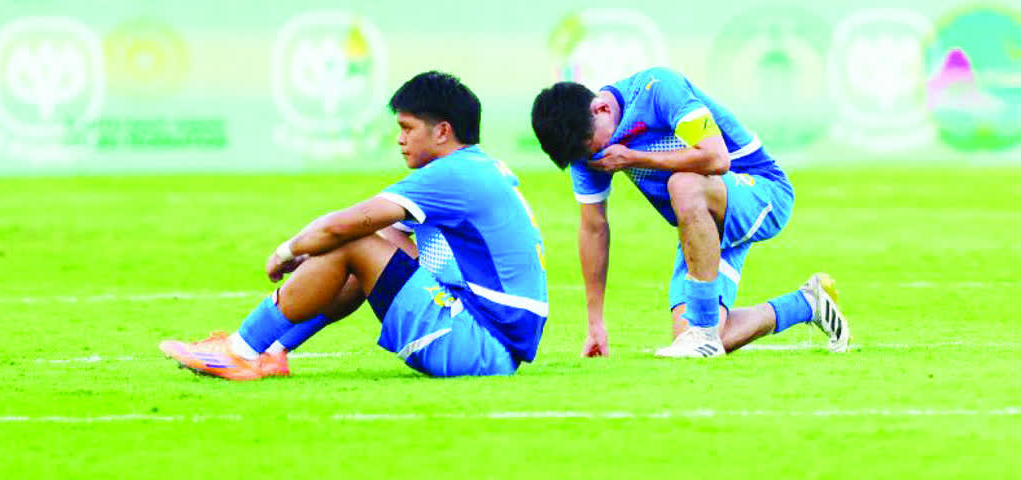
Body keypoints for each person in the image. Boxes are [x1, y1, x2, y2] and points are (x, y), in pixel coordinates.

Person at [160, 71, 548, 380]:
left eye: (408, 128)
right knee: (380, 241)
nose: (400, 140)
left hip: (478, 344)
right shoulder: (477, 167)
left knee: (355, 243)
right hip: (490, 340)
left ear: (443, 131)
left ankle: (238, 353)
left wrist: (288, 251)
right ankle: (271, 351)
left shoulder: (451, 175)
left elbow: (343, 226)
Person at [530, 68, 850, 358]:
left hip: (762, 191)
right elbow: (593, 228)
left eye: (591, 146)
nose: (593, 156)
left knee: (683, 184)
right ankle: (808, 303)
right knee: (687, 338)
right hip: (703, 223)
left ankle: (705, 333)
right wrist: (595, 323)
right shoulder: (585, 150)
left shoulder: (658, 89)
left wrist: (633, 157)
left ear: (600, 108)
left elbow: (716, 158)